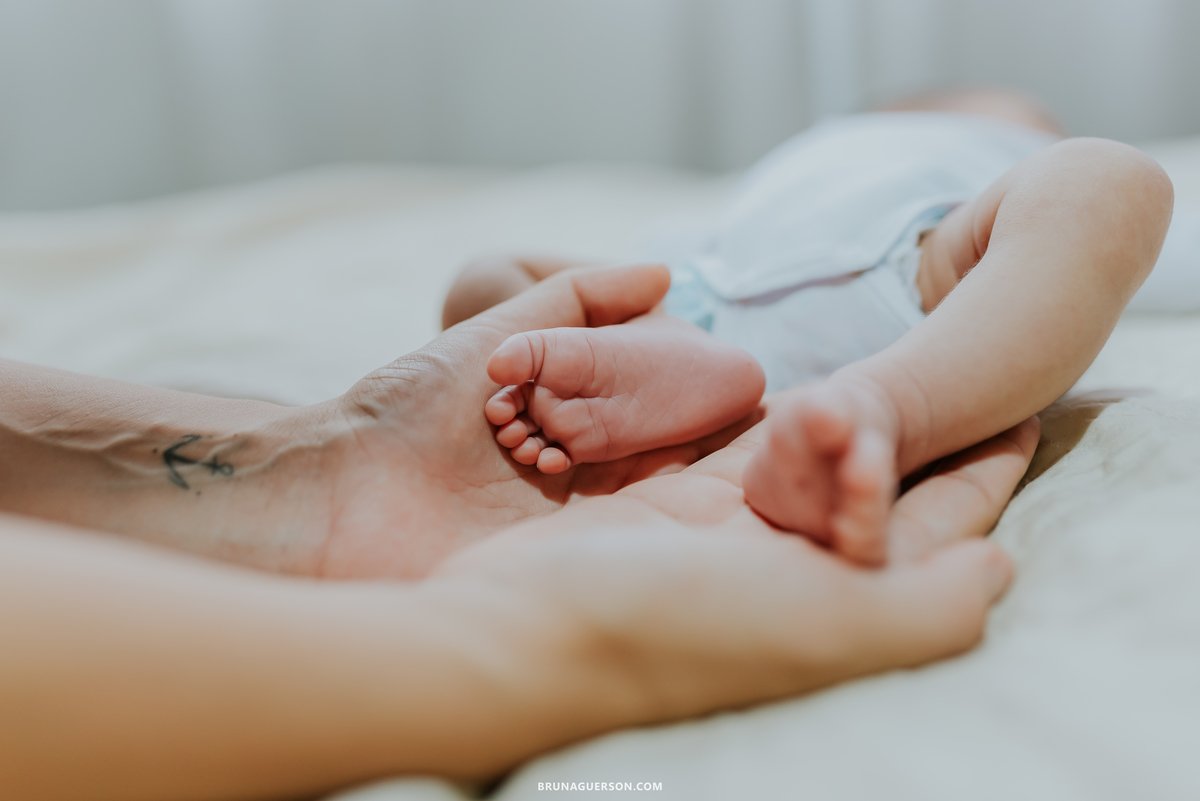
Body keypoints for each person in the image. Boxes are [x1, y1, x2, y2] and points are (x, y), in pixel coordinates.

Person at [0, 263, 1037, 799]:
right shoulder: (760, 223)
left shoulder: (958, 177)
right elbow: (507, 281)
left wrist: (328, 468)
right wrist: (527, 645)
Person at [444, 90, 1173, 565]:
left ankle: (878, 403)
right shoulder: (868, 148)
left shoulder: (936, 159)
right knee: (488, 277)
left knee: (1105, 180)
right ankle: (834, 401)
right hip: (731, 293)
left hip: (888, 276)